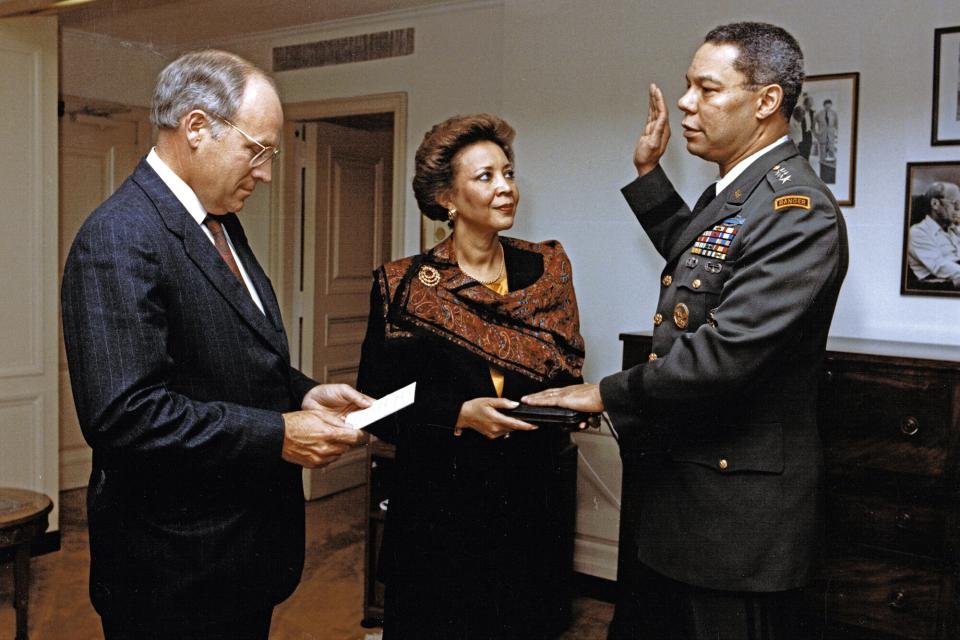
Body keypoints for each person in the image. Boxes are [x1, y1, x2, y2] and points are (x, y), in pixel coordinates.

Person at [524, 22, 848, 639]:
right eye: (686, 86)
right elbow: (696, 262)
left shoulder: (797, 212)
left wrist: (605, 393)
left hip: (734, 522)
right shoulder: (739, 192)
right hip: (681, 495)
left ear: (766, 102)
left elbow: (726, 352)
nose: (685, 103)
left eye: (707, 88)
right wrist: (648, 172)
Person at [61, 50, 371, 639]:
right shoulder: (118, 238)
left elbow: (228, 354)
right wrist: (280, 434)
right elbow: (124, 416)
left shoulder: (220, 221)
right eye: (258, 150)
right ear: (197, 128)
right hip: (173, 572)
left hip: (240, 557)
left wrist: (302, 394)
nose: (267, 172)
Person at [356, 113, 585, 639]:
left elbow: (566, 365)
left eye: (508, 173)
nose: (506, 188)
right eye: (485, 177)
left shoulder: (547, 270)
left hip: (527, 505)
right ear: (447, 199)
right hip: (438, 512)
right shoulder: (405, 286)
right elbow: (375, 405)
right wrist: (458, 414)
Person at [907, 181, 960, 288]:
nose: (958, 209)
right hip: (943, 285)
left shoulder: (953, 228)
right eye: (954, 203)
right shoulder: (918, 232)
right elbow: (939, 266)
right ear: (935, 204)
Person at [814, 99, 838, 183]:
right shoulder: (819, 114)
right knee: (822, 155)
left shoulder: (834, 114)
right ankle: (822, 178)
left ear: (831, 105)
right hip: (822, 136)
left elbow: (837, 125)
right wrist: (816, 134)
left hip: (831, 136)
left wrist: (837, 135)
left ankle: (831, 176)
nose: (828, 106)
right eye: (826, 105)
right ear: (824, 105)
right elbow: (813, 125)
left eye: (829, 104)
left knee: (832, 153)